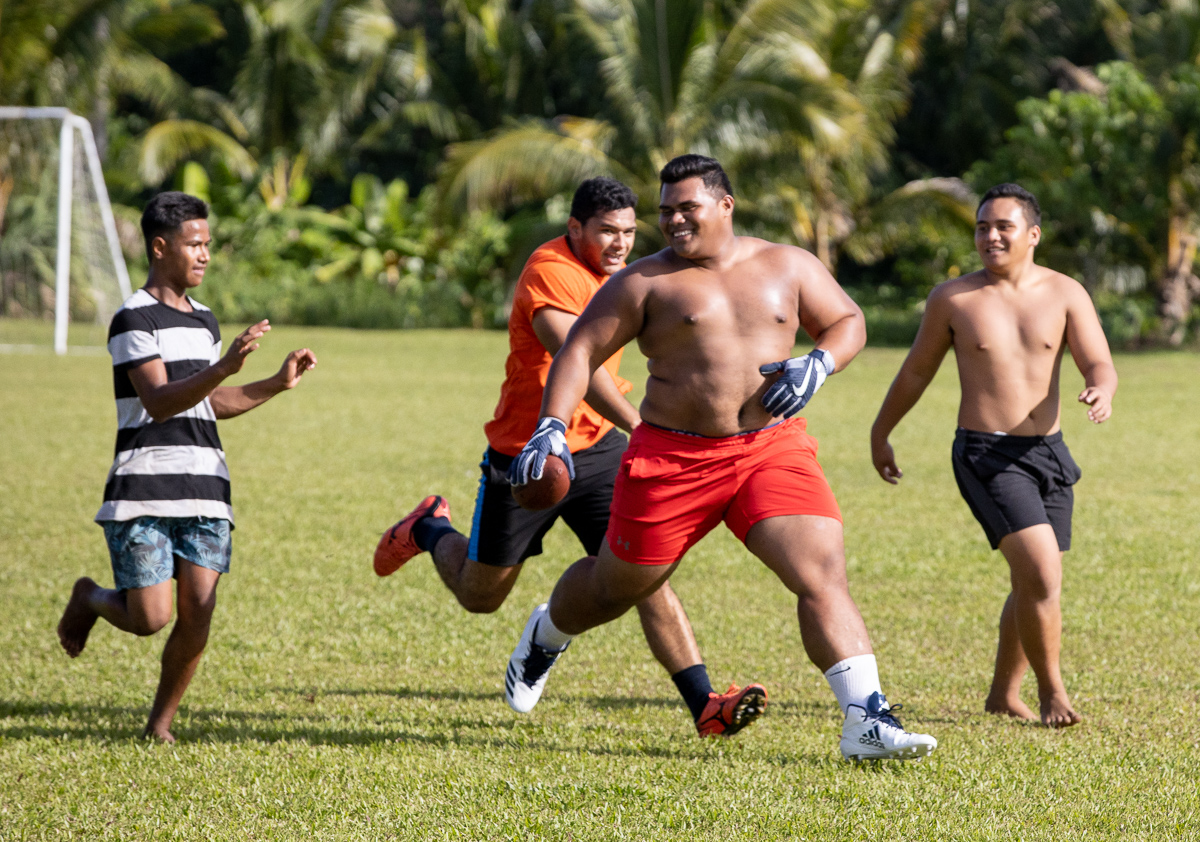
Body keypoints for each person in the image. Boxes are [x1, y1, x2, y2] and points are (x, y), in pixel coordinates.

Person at [503, 155, 938, 761]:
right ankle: (546, 633)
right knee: (613, 588)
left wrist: (819, 362)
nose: (674, 221)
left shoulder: (787, 264)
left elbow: (846, 320)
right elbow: (578, 350)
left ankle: (866, 719)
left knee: (819, 572)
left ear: (725, 206)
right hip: (671, 459)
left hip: (769, 447)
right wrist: (551, 425)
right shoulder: (643, 282)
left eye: (688, 208)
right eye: (666, 212)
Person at [374, 177, 766, 738]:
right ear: (575, 227)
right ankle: (430, 528)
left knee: (641, 571)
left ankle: (704, 702)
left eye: (629, 232)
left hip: (601, 449)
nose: (620, 244)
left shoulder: (633, 273)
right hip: (530, 454)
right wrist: (641, 425)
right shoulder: (550, 269)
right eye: (607, 232)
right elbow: (575, 355)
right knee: (481, 595)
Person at [56, 191, 317, 742]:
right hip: (143, 488)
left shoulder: (204, 321)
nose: (204, 254)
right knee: (150, 617)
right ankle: (92, 598)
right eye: (194, 244)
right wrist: (224, 365)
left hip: (206, 489)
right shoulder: (132, 318)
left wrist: (275, 382)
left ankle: (160, 725)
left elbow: (207, 401)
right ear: (159, 247)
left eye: (207, 244)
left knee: (198, 611)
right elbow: (159, 399)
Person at [870, 183, 1117, 728]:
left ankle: (1003, 694)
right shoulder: (953, 299)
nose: (990, 236)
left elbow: (1098, 361)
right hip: (986, 454)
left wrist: (1102, 388)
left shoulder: (1066, 293)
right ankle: (1053, 693)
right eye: (982, 227)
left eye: (1003, 226)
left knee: (1033, 580)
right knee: (1043, 575)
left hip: (1049, 453)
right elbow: (915, 371)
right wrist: (881, 431)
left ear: (1032, 234)